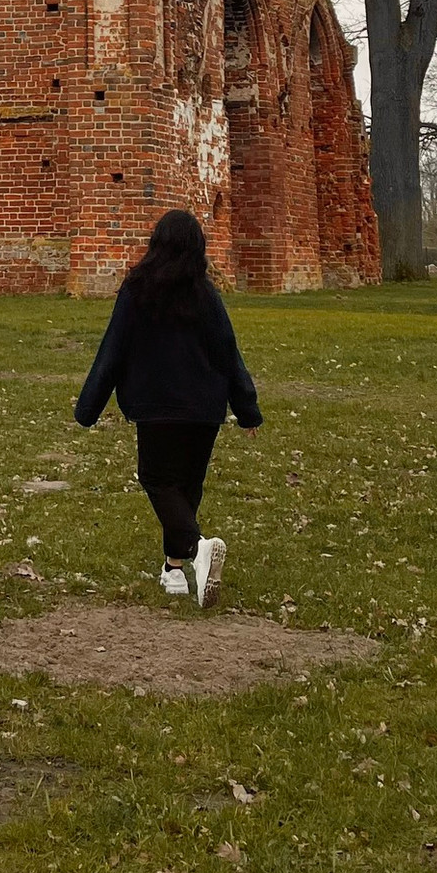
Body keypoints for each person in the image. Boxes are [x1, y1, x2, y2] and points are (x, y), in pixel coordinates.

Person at [74, 208, 262, 608]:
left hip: (157, 404)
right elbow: (228, 353)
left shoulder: (138, 290)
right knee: (187, 486)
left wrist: (87, 408)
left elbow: (113, 350)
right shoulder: (206, 295)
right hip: (204, 407)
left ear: (155, 244)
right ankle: (174, 569)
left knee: (158, 479)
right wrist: (247, 409)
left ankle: (197, 547)